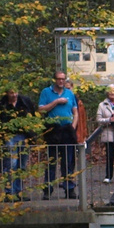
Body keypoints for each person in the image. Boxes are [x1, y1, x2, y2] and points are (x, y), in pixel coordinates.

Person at [37, 70, 79, 199]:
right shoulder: (46, 92)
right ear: (54, 80)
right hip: (53, 129)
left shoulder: (69, 93)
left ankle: (69, 188)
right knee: (51, 161)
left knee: (68, 161)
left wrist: (73, 126)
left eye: (63, 79)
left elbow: (75, 112)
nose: (61, 81)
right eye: (59, 79)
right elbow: (41, 109)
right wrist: (56, 102)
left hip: (67, 129)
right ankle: (47, 190)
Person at [1, 87, 38, 201]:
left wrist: (32, 132)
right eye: (11, 92)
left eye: (16, 92)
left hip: (24, 135)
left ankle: (19, 191)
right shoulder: (2, 104)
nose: (14, 95)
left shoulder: (24, 101)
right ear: (7, 93)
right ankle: (9, 192)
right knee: (11, 164)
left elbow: (33, 116)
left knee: (21, 165)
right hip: (9, 135)